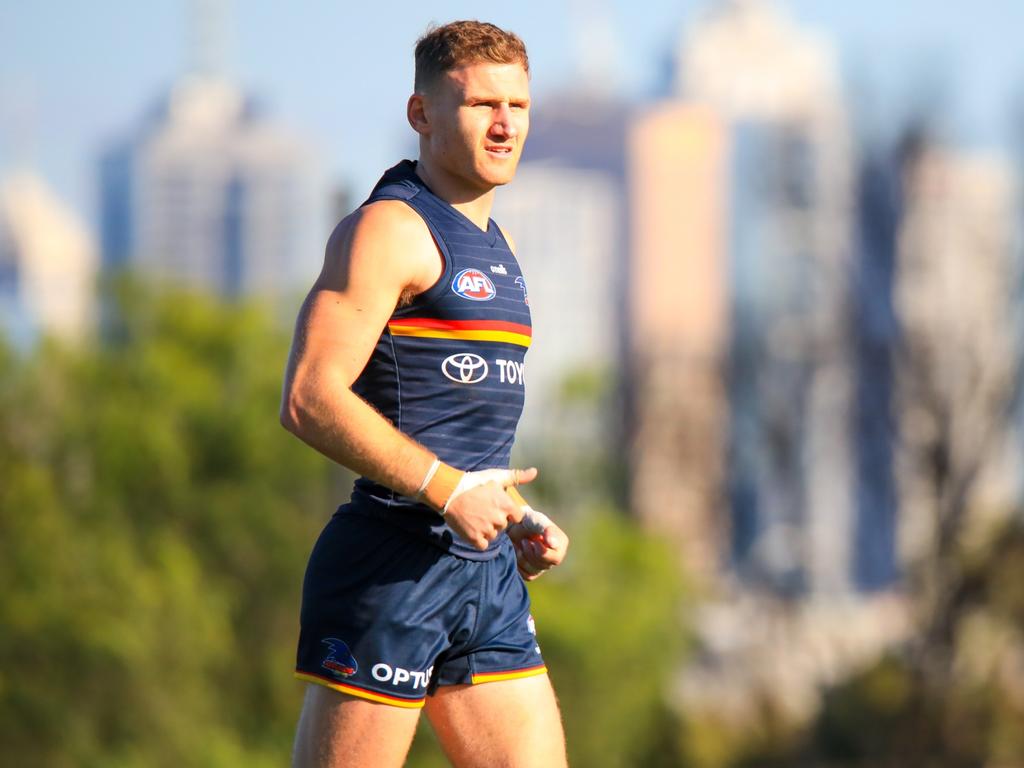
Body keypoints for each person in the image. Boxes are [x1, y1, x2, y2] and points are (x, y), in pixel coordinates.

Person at [280, 20, 570, 768]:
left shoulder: (497, 247)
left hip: (485, 574)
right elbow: (310, 395)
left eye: (519, 105)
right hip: (391, 569)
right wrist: (446, 492)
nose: (505, 124)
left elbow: (457, 430)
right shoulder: (389, 230)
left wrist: (507, 517)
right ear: (422, 115)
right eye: (480, 105)